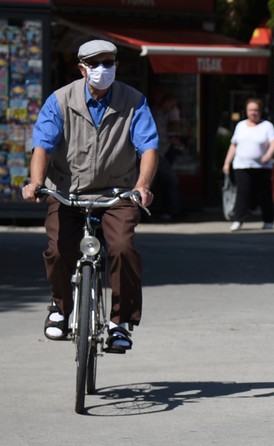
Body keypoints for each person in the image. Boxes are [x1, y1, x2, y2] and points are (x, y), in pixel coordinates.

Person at [21, 39, 158, 352]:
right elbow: (43, 146)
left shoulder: (134, 100)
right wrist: (36, 183)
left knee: (122, 248)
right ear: (82, 69)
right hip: (68, 191)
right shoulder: (60, 100)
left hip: (117, 192)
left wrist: (143, 185)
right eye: (95, 64)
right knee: (59, 249)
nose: (102, 69)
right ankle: (60, 308)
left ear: (116, 66)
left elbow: (148, 147)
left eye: (108, 63)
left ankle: (120, 322)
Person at [222, 98, 274, 231]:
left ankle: (268, 220)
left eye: (256, 110)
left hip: (261, 166)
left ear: (260, 111)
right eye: (250, 110)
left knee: (264, 193)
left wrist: (268, 155)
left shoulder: (267, 126)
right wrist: (227, 163)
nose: (253, 113)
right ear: (246, 111)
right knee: (243, 192)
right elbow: (234, 145)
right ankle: (238, 219)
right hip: (241, 165)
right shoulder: (240, 125)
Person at [149, 91, 182, 221]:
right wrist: (171, 140)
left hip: (160, 153)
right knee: (170, 180)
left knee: (157, 183)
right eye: (171, 105)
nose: (172, 109)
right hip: (156, 154)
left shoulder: (163, 115)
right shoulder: (156, 114)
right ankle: (172, 211)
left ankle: (156, 210)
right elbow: (156, 137)